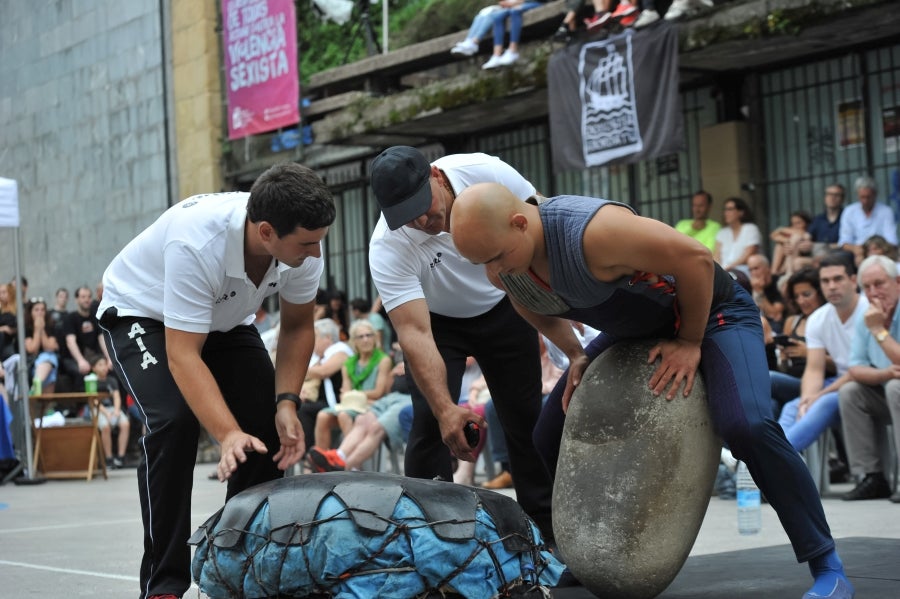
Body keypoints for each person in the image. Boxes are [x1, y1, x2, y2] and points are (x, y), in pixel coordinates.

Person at [450, 182, 854, 599]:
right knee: (548, 432)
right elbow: (524, 299)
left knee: (747, 425)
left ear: (520, 224)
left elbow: (696, 258)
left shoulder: (593, 231)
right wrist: (574, 354)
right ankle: (578, 553)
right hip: (635, 329)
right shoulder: (506, 264)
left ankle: (827, 563)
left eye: (496, 258)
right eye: (482, 263)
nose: (492, 272)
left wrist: (691, 342)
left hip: (715, 315)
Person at [96, 162, 335, 599]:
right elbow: (183, 355)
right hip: (143, 315)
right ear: (266, 232)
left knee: (266, 429)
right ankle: (164, 584)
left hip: (224, 321)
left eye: (319, 242)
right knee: (174, 423)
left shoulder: (301, 242)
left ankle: (238, 568)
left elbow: (299, 326)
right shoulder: (197, 240)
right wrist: (226, 435)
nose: (316, 254)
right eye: (307, 244)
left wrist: (286, 403)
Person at [367, 145, 554, 540]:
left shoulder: (485, 170)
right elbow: (414, 333)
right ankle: (432, 533)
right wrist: (445, 408)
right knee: (430, 422)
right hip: (438, 322)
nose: (422, 219)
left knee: (525, 417)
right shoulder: (388, 245)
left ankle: (546, 528)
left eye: (425, 205)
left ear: (436, 175)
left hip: (508, 299)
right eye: (407, 217)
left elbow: (540, 226)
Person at [777, 254, 866, 460]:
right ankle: (770, 459)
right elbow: (814, 369)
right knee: (794, 406)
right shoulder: (819, 317)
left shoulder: (867, 310)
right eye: (826, 281)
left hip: (865, 381)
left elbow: (860, 369)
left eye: (838, 279)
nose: (831, 286)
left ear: (853, 280)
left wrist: (817, 397)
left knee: (824, 402)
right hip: (837, 382)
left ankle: (774, 461)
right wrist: (807, 398)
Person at [838, 254, 900, 503]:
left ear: (898, 282)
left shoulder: (872, 322)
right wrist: (884, 373)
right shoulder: (869, 316)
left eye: (880, 284)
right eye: (867, 287)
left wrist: (879, 330)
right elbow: (856, 368)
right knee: (850, 392)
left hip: (895, 391)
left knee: (897, 388)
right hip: (887, 391)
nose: (874, 292)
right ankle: (872, 477)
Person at [307, 360, 413, 473]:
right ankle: (339, 456)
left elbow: (378, 392)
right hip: (390, 398)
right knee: (362, 419)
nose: (365, 340)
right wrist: (393, 374)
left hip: (409, 401)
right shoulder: (401, 361)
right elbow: (386, 391)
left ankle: (346, 467)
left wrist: (412, 372)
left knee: (376, 427)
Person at [311, 319, 392, 450]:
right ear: (354, 341)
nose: (365, 340)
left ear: (375, 338)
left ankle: (351, 462)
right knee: (322, 416)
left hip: (375, 405)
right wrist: (353, 396)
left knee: (344, 415)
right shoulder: (349, 363)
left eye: (369, 335)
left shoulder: (383, 360)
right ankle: (322, 463)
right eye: (361, 336)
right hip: (352, 405)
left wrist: (352, 395)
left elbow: (378, 392)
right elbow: (345, 396)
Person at [769, 268, 827, 418]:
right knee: (771, 404)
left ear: (820, 292)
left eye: (806, 295)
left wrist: (809, 353)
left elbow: (843, 364)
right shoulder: (792, 322)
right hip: (791, 381)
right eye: (797, 296)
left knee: (768, 378)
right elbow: (784, 368)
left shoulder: (829, 319)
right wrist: (783, 356)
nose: (801, 301)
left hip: (820, 383)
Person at [297, 318, 353, 454]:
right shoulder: (318, 357)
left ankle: (309, 457)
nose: (311, 342)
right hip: (319, 400)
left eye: (315, 337)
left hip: (337, 401)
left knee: (304, 410)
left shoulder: (341, 350)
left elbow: (322, 372)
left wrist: (295, 368)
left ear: (328, 338)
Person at [838, 175, 897, 265]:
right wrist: (856, 249)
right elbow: (844, 242)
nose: (865, 201)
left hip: (881, 251)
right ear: (857, 195)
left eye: (868, 197)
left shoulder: (886, 211)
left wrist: (876, 250)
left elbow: (892, 240)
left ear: (875, 195)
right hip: (857, 252)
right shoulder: (849, 211)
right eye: (862, 197)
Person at [89, 356, 131, 469]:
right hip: (98, 410)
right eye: (100, 365)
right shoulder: (91, 381)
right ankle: (109, 458)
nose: (104, 368)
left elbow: (117, 397)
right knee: (105, 427)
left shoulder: (112, 380)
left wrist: (117, 411)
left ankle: (121, 457)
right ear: (93, 368)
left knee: (125, 424)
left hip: (113, 408)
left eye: (105, 364)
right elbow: (94, 400)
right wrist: (106, 413)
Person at [481, 0, 546, 70]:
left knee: (514, 11)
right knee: (497, 17)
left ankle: (513, 50)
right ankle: (496, 54)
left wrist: (515, 3)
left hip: (536, 2)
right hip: (515, 5)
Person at [714, 196, 761, 276]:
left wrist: (728, 268)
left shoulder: (750, 229)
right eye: (725, 209)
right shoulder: (722, 233)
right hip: (723, 272)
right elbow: (716, 255)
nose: (726, 213)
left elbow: (748, 254)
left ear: (741, 212)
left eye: (730, 209)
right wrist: (720, 270)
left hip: (743, 271)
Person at [24, 299, 60, 395]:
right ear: (30, 312)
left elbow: (49, 347)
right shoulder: (26, 327)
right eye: (36, 310)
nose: (40, 312)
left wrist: (42, 329)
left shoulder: (50, 325)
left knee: (49, 357)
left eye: (42, 310)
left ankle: (35, 387)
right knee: (50, 365)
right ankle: (37, 388)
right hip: (32, 363)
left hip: (47, 364)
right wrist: (37, 329)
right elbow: (32, 349)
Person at [747, 254, 786, 334]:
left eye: (756, 268)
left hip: (776, 327)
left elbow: (775, 315)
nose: (753, 273)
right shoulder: (749, 285)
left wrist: (759, 291)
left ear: (767, 268)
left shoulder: (779, 283)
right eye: (750, 270)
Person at [770, 210, 814, 277]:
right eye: (793, 224)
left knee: (795, 238)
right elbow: (773, 235)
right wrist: (785, 240)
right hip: (789, 258)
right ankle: (774, 271)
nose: (795, 226)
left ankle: (782, 271)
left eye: (798, 223)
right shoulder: (791, 233)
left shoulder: (808, 232)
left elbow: (802, 234)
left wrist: (781, 229)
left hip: (805, 258)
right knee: (780, 244)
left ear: (806, 223)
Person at [808, 184, 845, 251]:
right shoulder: (818, 219)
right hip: (817, 253)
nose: (832, 198)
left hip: (839, 254)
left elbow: (847, 244)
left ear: (842, 199)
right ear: (825, 198)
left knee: (799, 261)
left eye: (836, 195)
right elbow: (808, 236)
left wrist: (821, 246)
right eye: (829, 194)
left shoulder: (847, 218)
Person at [0, 283, 17, 361]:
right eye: (0, 293)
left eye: (4, 292)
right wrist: (4, 328)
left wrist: (8, 329)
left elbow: (16, 328)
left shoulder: (17, 309)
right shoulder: (1, 310)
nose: (1, 295)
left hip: (11, 343)